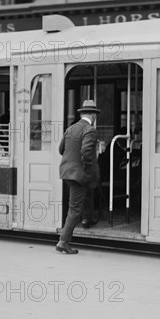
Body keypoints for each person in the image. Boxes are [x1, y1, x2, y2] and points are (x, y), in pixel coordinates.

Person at [56, 100, 101, 254]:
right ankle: (63, 241)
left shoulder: (71, 129)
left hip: (67, 172)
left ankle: (88, 217)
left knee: (78, 203)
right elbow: (87, 153)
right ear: (93, 115)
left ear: (81, 113)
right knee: (75, 209)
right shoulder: (90, 130)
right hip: (79, 175)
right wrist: (88, 173)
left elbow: (61, 149)